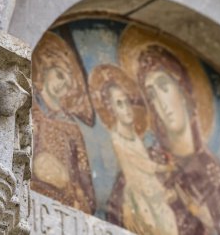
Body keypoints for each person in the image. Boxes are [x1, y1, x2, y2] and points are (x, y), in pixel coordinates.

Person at [137, 44, 220, 234]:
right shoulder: (147, 163)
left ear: (182, 90)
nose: (161, 103)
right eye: (152, 95)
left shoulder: (214, 173)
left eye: (164, 87)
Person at [92, 65, 178, 235]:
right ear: (111, 109)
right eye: (119, 104)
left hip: (154, 190)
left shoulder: (137, 137)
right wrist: (165, 167)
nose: (127, 109)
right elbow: (143, 164)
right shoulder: (117, 139)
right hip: (139, 197)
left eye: (127, 102)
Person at [31, 32, 96, 214]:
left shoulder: (71, 126)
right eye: (60, 75)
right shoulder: (29, 105)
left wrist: (84, 201)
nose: (63, 86)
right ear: (46, 69)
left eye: (68, 84)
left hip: (66, 202)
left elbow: (83, 174)